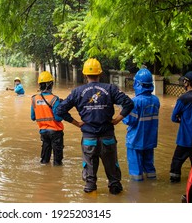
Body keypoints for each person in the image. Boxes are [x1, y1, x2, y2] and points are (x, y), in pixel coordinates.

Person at [55, 58, 134, 194]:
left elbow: (60, 110)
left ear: (85, 75)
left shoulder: (77, 92)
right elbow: (129, 103)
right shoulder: (110, 89)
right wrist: (117, 119)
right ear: (100, 74)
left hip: (88, 139)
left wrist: (77, 123)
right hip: (108, 138)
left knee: (90, 183)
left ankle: (91, 196)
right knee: (114, 181)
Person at [122, 67, 160, 181]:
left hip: (135, 140)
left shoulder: (135, 101)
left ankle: (137, 193)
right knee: (149, 166)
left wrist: (123, 111)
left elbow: (130, 121)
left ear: (137, 84)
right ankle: (151, 187)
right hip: (150, 140)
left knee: (136, 172)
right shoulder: (156, 100)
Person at [31, 71, 64, 166]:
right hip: (56, 132)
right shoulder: (55, 99)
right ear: (51, 84)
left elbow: (33, 117)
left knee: (45, 160)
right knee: (58, 162)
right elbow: (58, 118)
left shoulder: (34, 99)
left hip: (43, 132)